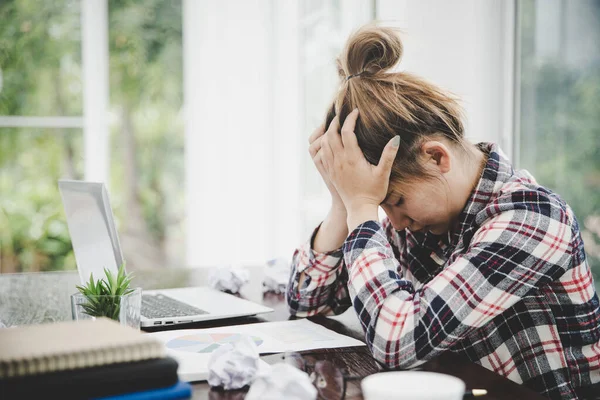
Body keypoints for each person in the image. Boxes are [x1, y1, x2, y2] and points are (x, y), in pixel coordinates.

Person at [286, 25, 600, 400]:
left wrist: (363, 207)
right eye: (382, 206)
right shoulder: (425, 216)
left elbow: (396, 342)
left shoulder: (533, 220)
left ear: (436, 157)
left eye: (396, 202)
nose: (395, 222)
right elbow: (309, 303)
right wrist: (344, 201)